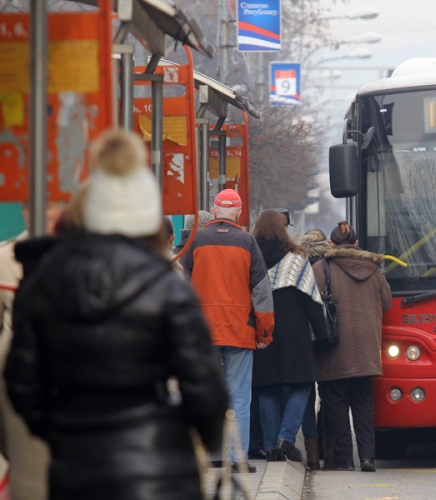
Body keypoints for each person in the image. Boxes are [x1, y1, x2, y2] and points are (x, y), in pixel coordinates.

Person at [4, 130, 228, 500]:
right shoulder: (165, 284)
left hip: (73, 468)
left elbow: (22, 382)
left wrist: (59, 431)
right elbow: (204, 383)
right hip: (158, 469)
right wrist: (198, 436)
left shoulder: (45, 279)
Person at [184, 188, 274, 470]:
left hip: (203, 333)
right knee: (238, 398)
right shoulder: (247, 242)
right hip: (239, 331)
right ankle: (237, 459)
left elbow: (182, 288)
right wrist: (264, 333)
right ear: (237, 212)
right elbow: (261, 292)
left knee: (207, 393)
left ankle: (210, 455)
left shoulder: (195, 240)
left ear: (214, 210)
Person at [312, 222, 392, 472]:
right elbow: (387, 302)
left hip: (334, 347)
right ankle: (368, 457)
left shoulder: (320, 268)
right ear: (356, 244)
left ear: (332, 245)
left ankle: (344, 460)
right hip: (367, 347)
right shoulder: (374, 269)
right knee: (363, 402)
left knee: (335, 404)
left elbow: (312, 305)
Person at [251, 211, 329, 464]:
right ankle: (285, 438)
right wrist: (324, 334)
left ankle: (271, 447)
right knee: (302, 384)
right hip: (294, 332)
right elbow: (311, 299)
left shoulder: (251, 258)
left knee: (267, 389)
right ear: (282, 229)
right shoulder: (295, 258)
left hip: (262, 330)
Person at [0, 202, 64, 500]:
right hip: (22, 382)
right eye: (29, 204)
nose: (41, 211)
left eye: (53, 203)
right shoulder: (5, 257)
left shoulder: (93, 254)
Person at [300, 228, 334, 469]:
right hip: (326, 338)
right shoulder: (329, 267)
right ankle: (329, 448)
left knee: (306, 394)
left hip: (303, 340)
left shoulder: (299, 268)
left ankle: (312, 453)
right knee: (328, 393)